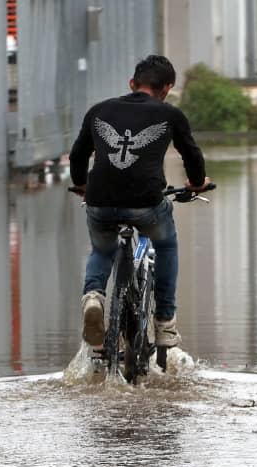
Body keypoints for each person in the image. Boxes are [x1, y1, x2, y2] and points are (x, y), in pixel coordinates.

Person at [69, 54, 211, 350]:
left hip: (100, 200)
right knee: (167, 244)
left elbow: (77, 155)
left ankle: (94, 297)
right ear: (167, 87)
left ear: (132, 83)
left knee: (102, 248)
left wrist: (83, 186)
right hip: (146, 203)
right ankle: (164, 324)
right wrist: (197, 184)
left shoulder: (98, 111)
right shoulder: (170, 115)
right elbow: (192, 156)